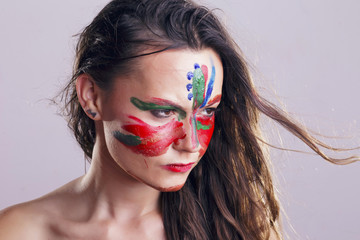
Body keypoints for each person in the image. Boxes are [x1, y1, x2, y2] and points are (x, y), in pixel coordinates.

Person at [0, 0, 357, 239]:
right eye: (162, 111)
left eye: (207, 111)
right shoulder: (18, 231)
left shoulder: (229, 228)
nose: (191, 143)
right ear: (92, 97)